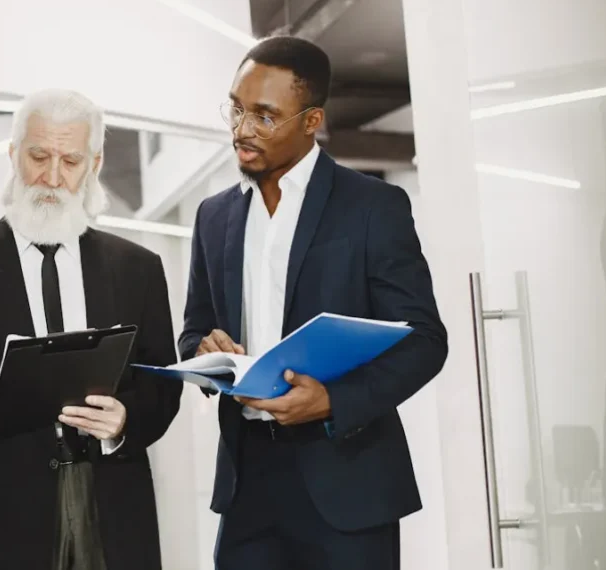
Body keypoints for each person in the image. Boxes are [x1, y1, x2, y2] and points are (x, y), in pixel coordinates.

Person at [178, 36, 448, 570]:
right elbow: (194, 329)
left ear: (311, 120)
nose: (241, 130)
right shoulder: (213, 216)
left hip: (348, 481)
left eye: (264, 116)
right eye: (235, 108)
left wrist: (332, 401)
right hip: (246, 486)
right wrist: (206, 351)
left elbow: (425, 340)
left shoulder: (373, 207)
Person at [0, 88, 182, 570]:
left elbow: (163, 386)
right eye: (38, 156)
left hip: (117, 508)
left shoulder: (138, 268)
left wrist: (123, 421)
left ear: (94, 165)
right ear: (13, 154)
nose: (52, 178)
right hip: (4, 516)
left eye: (71, 161)